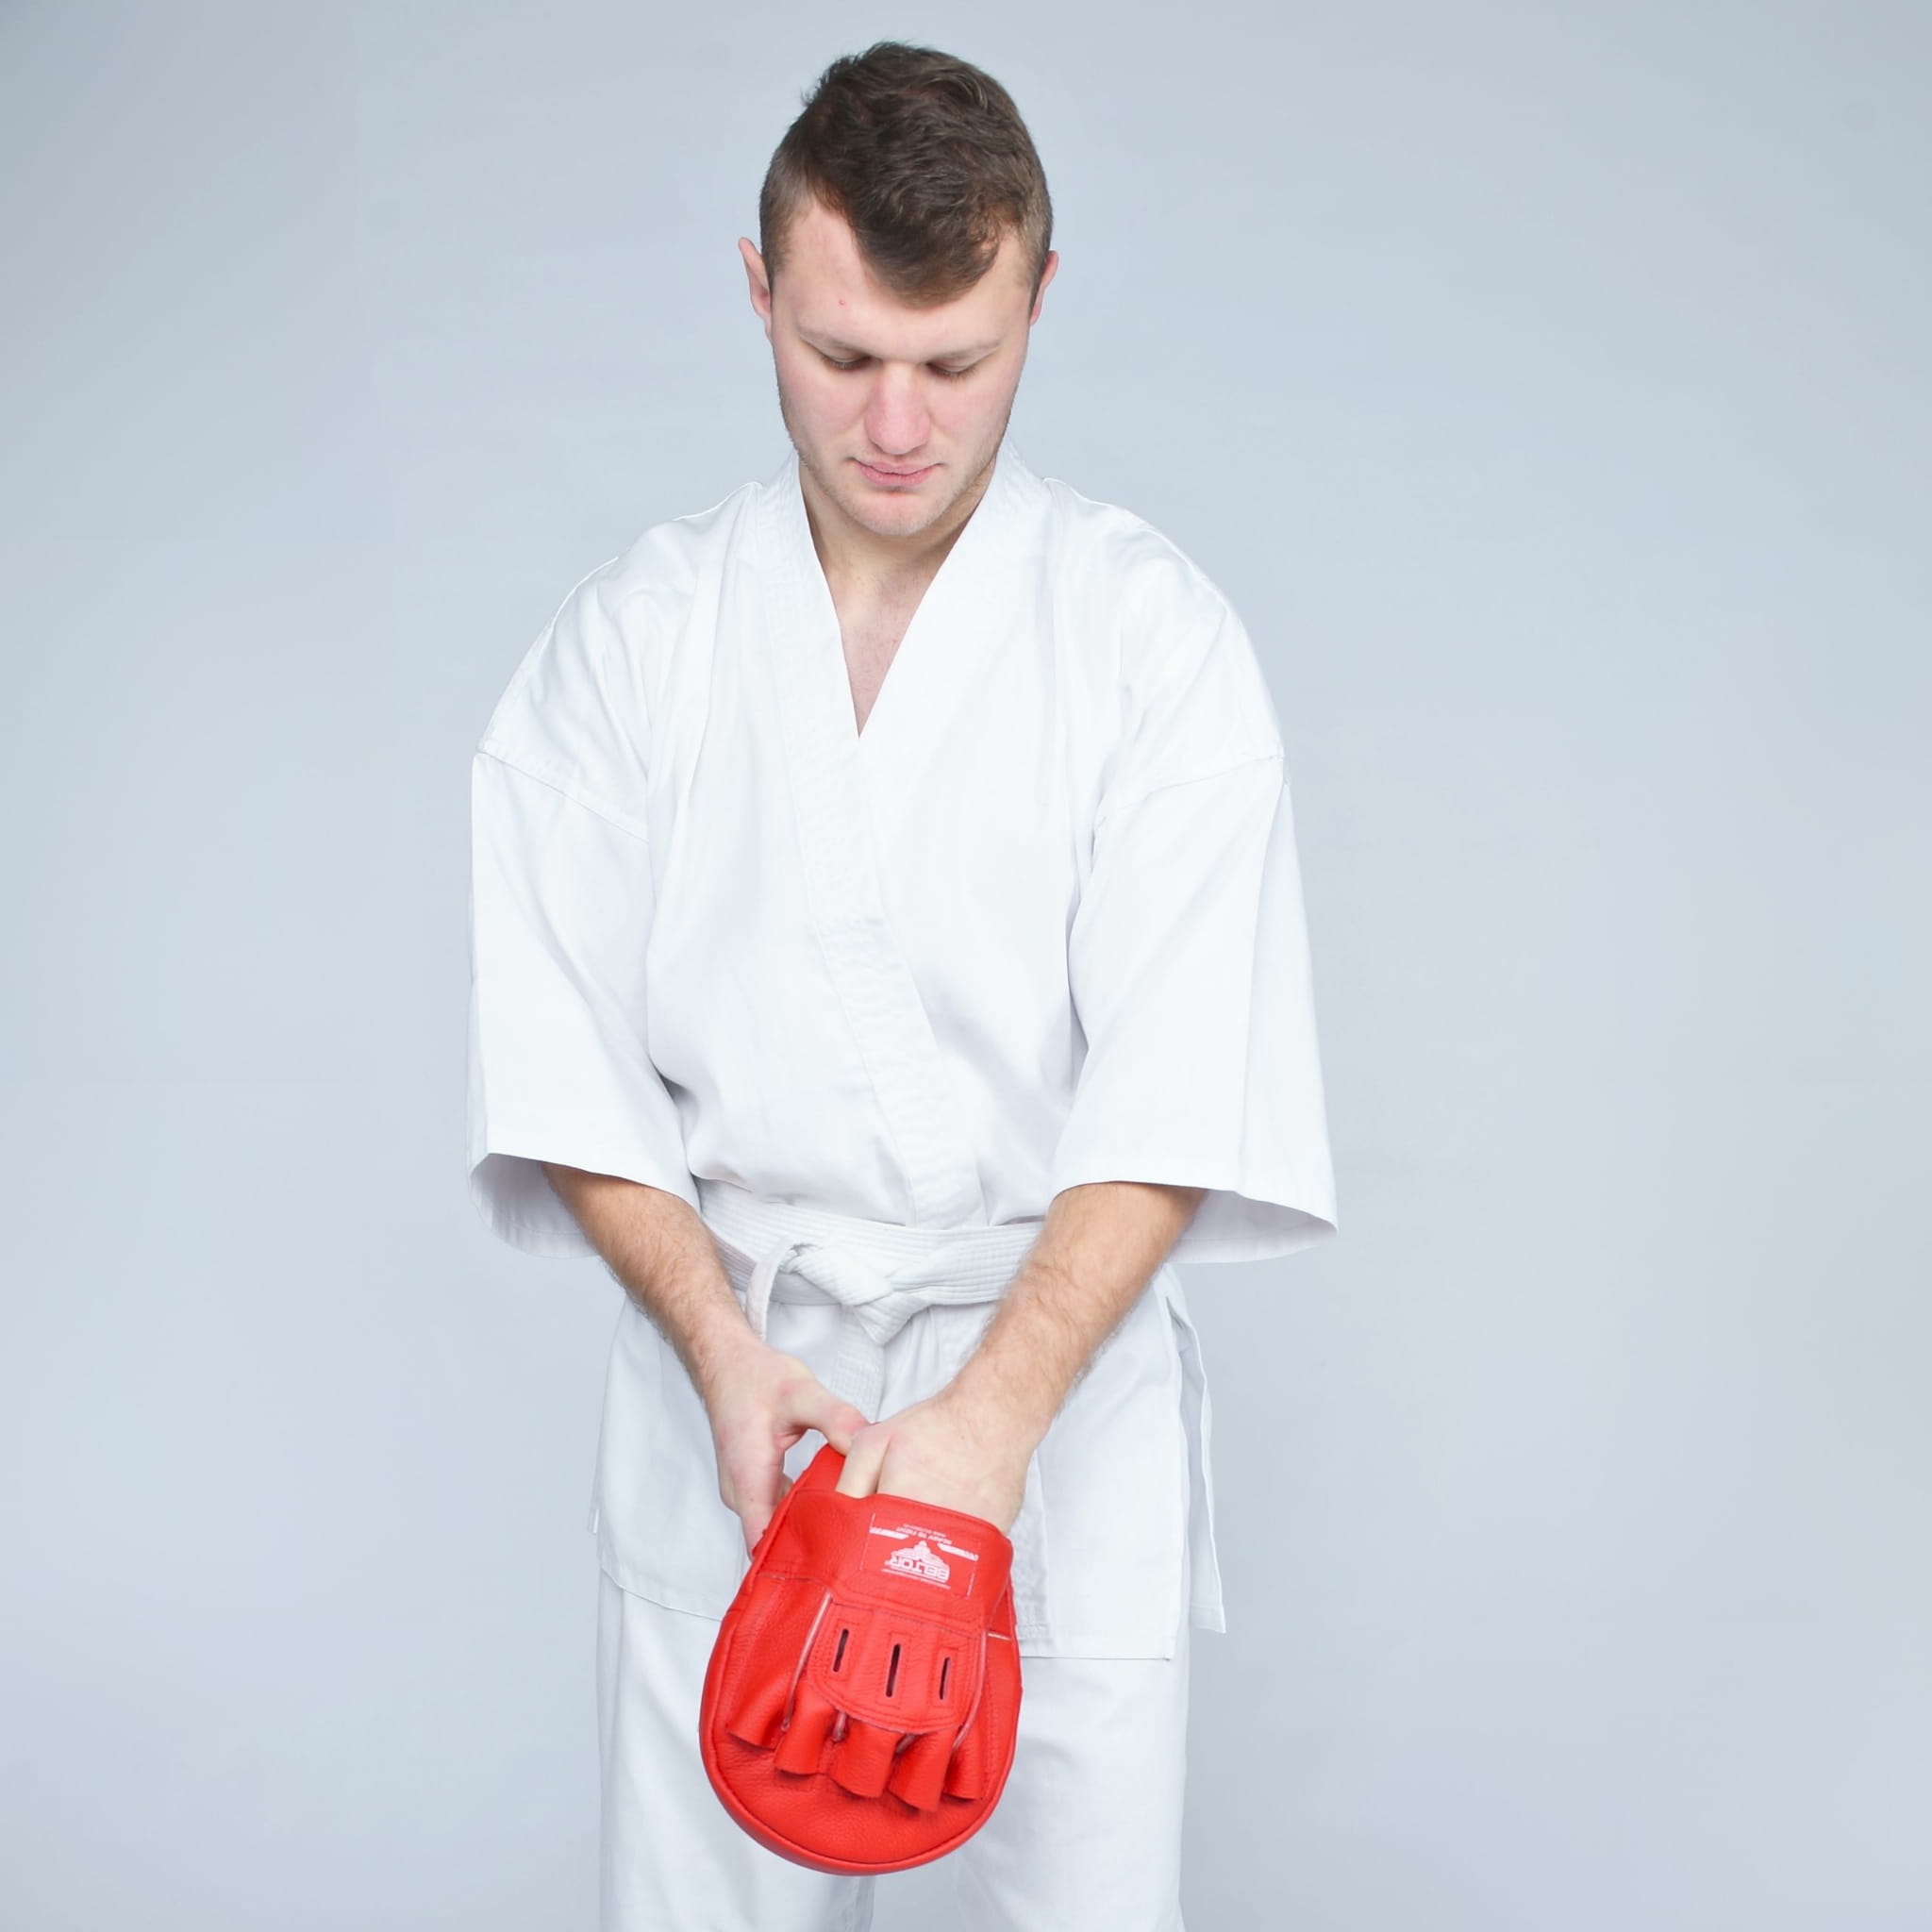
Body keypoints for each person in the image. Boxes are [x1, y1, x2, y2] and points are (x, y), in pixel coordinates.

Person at [465, 40, 1338, 1932]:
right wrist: (721, 1353)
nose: (893, 423)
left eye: (956, 364)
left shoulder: (1149, 642)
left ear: (1039, 297)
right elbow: (564, 1075)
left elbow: (1181, 1086)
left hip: (1052, 1390)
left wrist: (988, 1427)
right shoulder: (634, 646)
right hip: (741, 1383)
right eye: (841, 352)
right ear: (757, 287)